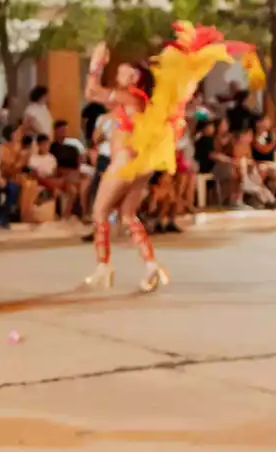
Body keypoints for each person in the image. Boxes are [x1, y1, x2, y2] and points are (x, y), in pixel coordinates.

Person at [82, 24, 246, 291]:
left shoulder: (128, 97)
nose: (121, 70)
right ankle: (151, 266)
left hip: (124, 162)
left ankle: (103, 267)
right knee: (128, 215)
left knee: (99, 212)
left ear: (136, 78)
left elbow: (91, 92)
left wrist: (96, 64)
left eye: (127, 69)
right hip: (141, 164)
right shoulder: (141, 100)